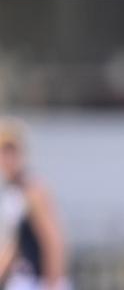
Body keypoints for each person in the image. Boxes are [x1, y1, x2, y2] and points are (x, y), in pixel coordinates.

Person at [0, 117, 71, 290]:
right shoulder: (13, 193)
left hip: (38, 281)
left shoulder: (33, 190)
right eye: (3, 152)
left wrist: (52, 283)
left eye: (12, 152)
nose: (7, 159)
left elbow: (54, 241)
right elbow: (15, 245)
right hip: (23, 278)